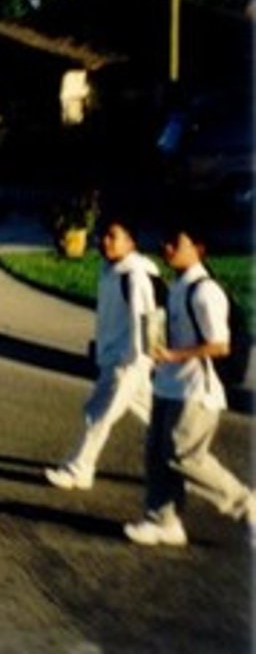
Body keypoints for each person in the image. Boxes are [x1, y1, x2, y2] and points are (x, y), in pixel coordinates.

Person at [124, 222, 254, 547]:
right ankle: (163, 521)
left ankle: (247, 504)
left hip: (197, 389)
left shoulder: (206, 291)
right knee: (156, 453)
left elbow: (219, 345)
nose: (167, 248)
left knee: (184, 457)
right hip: (169, 384)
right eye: (166, 242)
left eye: (175, 243)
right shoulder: (179, 286)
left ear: (198, 248)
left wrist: (174, 354)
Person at [45, 215, 159, 490]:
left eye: (113, 236)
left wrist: (140, 359)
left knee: (98, 414)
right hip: (115, 357)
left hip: (129, 361)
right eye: (103, 236)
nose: (104, 242)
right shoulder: (110, 270)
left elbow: (147, 319)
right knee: (161, 424)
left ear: (131, 242)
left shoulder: (135, 275)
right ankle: (193, 472)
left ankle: (79, 469)